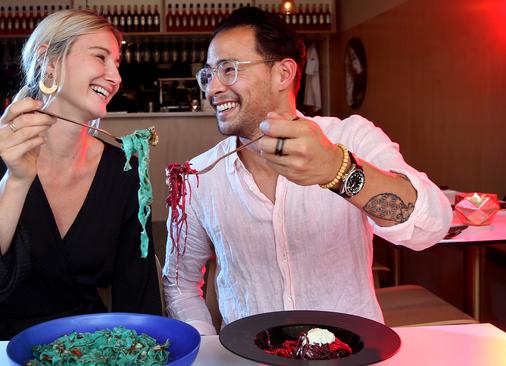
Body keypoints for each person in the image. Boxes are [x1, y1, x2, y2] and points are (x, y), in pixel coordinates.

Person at [162, 7, 452, 335]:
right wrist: (207, 345)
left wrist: (337, 170)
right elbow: (180, 283)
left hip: (351, 353)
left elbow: (430, 228)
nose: (211, 89)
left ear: (283, 74)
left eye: (228, 69)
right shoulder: (197, 176)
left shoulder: (350, 138)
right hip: (251, 356)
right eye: (208, 74)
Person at [0, 9, 162, 341]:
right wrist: (16, 179)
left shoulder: (123, 167)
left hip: (89, 345)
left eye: (117, 63)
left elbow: (138, 292)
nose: (115, 77)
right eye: (100, 57)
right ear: (50, 61)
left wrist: (144, 351)